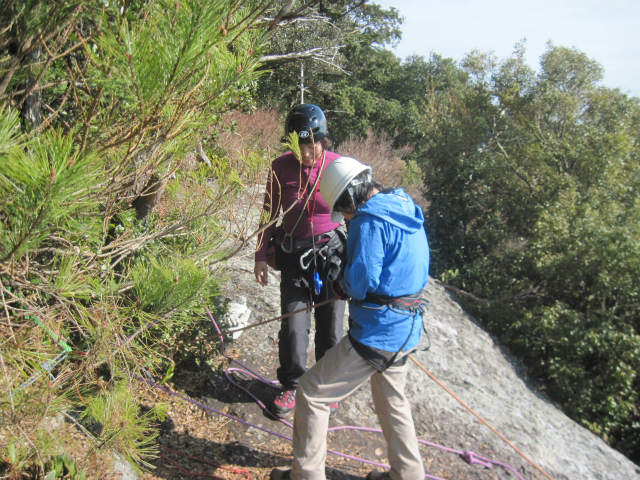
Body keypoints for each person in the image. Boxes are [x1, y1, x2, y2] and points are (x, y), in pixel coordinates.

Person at [270, 156, 430, 480]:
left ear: (350, 198)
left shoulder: (369, 221)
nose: (343, 218)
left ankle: (306, 476)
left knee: (313, 393)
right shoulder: (402, 204)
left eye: (342, 211)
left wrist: (339, 285)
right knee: (392, 401)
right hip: (407, 328)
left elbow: (360, 281)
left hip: (380, 332)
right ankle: (407, 474)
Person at [254, 104, 347, 418]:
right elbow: (269, 214)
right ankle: (292, 385)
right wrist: (260, 256)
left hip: (331, 256)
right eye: (298, 146)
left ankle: (324, 387)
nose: (305, 153)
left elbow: (357, 215)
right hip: (295, 255)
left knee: (331, 328)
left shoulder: (338, 167)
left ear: (322, 139)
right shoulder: (281, 167)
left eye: (310, 145)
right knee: (294, 326)